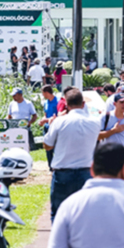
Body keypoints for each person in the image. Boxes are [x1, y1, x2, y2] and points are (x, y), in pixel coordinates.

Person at [43, 89, 100, 220]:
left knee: (58, 213)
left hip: (63, 171)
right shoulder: (95, 122)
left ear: (67, 105)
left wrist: (52, 126)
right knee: (85, 214)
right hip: (86, 171)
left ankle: (59, 239)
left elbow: (48, 145)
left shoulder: (59, 121)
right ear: (83, 103)